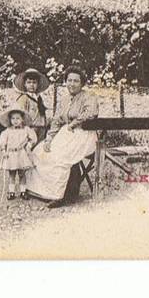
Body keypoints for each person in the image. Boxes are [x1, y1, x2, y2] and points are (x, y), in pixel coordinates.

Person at [25, 66, 100, 208]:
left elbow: (91, 113)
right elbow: (56, 121)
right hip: (66, 134)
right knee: (39, 152)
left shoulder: (89, 96)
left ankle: (58, 195)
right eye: (69, 80)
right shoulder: (64, 100)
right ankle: (40, 191)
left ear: (82, 83)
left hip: (84, 134)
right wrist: (49, 138)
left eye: (76, 81)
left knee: (61, 157)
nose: (72, 84)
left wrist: (73, 124)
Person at [0, 107, 38, 200]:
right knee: (12, 174)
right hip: (11, 154)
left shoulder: (26, 129)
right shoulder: (8, 131)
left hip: (21, 154)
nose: (15, 121)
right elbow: (2, 141)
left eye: (18, 118)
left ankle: (23, 191)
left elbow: (33, 138)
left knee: (22, 173)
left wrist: (28, 146)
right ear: (10, 120)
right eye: (13, 118)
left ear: (22, 119)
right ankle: (11, 192)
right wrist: (4, 151)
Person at [14, 68, 50, 143]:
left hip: (42, 127)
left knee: (39, 148)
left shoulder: (39, 98)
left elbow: (42, 113)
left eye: (34, 82)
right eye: (29, 82)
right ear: (25, 84)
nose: (31, 85)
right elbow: (21, 114)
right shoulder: (24, 98)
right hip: (30, 128)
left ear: (38, 84)